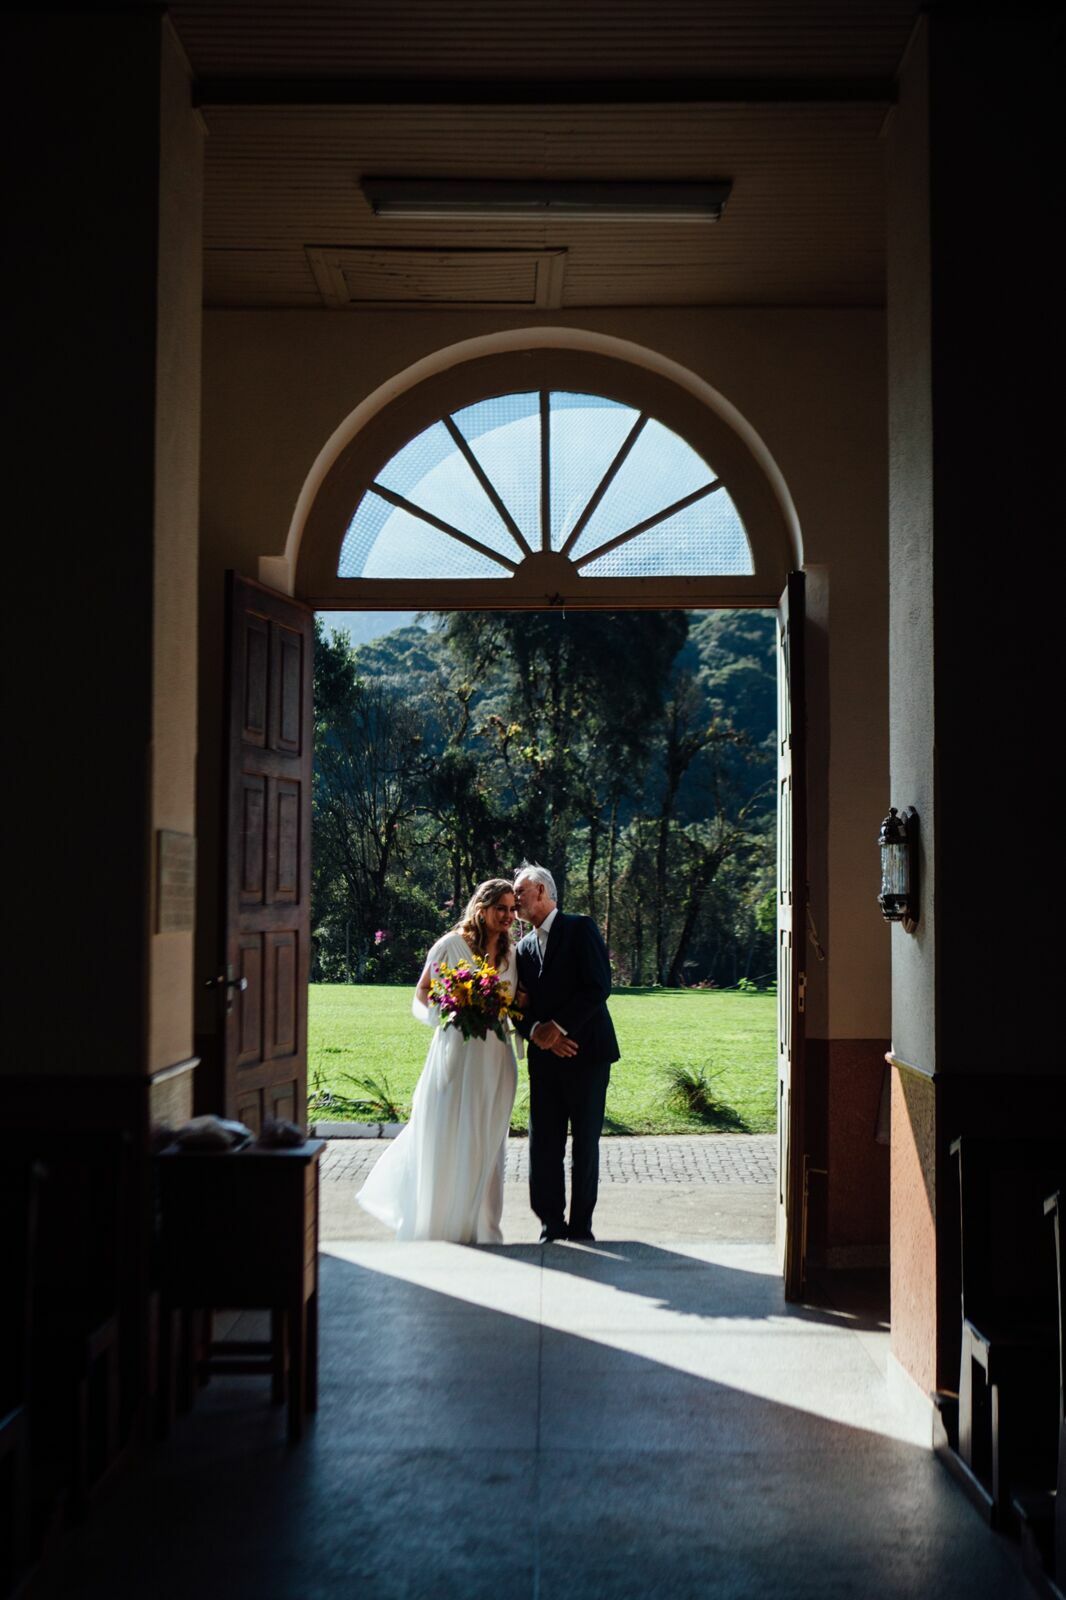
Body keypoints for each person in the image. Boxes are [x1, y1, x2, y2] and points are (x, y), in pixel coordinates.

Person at [356, 879, 519, 1244]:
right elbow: (422, 992)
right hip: (456, 1053)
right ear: (482, 909)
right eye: (501, 908)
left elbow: (517, 1000)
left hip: (496, 1056)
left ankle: (483, 1225)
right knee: (449, 1133)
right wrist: (449, 1013)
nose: (509, 916)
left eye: (512, 909)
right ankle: (441, 1223)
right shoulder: (450, 945)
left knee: (489, 1141)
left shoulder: (511, 953)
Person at [513, 864, 620, 1243]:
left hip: (587, 1055)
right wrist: (537, 1034)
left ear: (541, 891)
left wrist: (557, 1028)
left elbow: (598, 986)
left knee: (585, 1144)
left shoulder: (580, 928)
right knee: (543, 1144)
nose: (515, 900)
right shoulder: (522, 948)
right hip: (544, 1061)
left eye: (520, 891)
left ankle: (581, 1227)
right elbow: (518, 1006)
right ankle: (550, 1224)